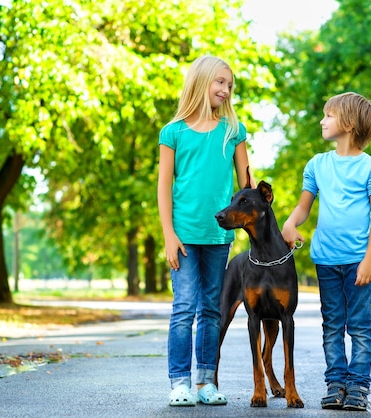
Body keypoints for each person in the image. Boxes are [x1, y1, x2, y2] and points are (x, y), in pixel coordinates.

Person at [281, 92, 371, 411]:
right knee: (332, 325)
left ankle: (357, 387)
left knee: (358, 326)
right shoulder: (318, 164)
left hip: (358, 262)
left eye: (329, 115)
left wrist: (369, 261)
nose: (322, 120)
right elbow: (303, 208)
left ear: (350, 123)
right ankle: (336, 383)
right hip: (326, 261)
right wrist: (289, 224)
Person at [157, 55, 254, 407]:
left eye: (230, 85)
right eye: (220, 83)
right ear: (200, 82)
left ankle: (205, 382)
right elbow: (164, 187)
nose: (226, 90)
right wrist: (168, 233)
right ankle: (179, 382)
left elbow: (248, 186)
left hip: (218, 237)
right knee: (184, 307)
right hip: (183, 235)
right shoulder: (173, 132)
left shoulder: (233, 131)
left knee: (212, 308)